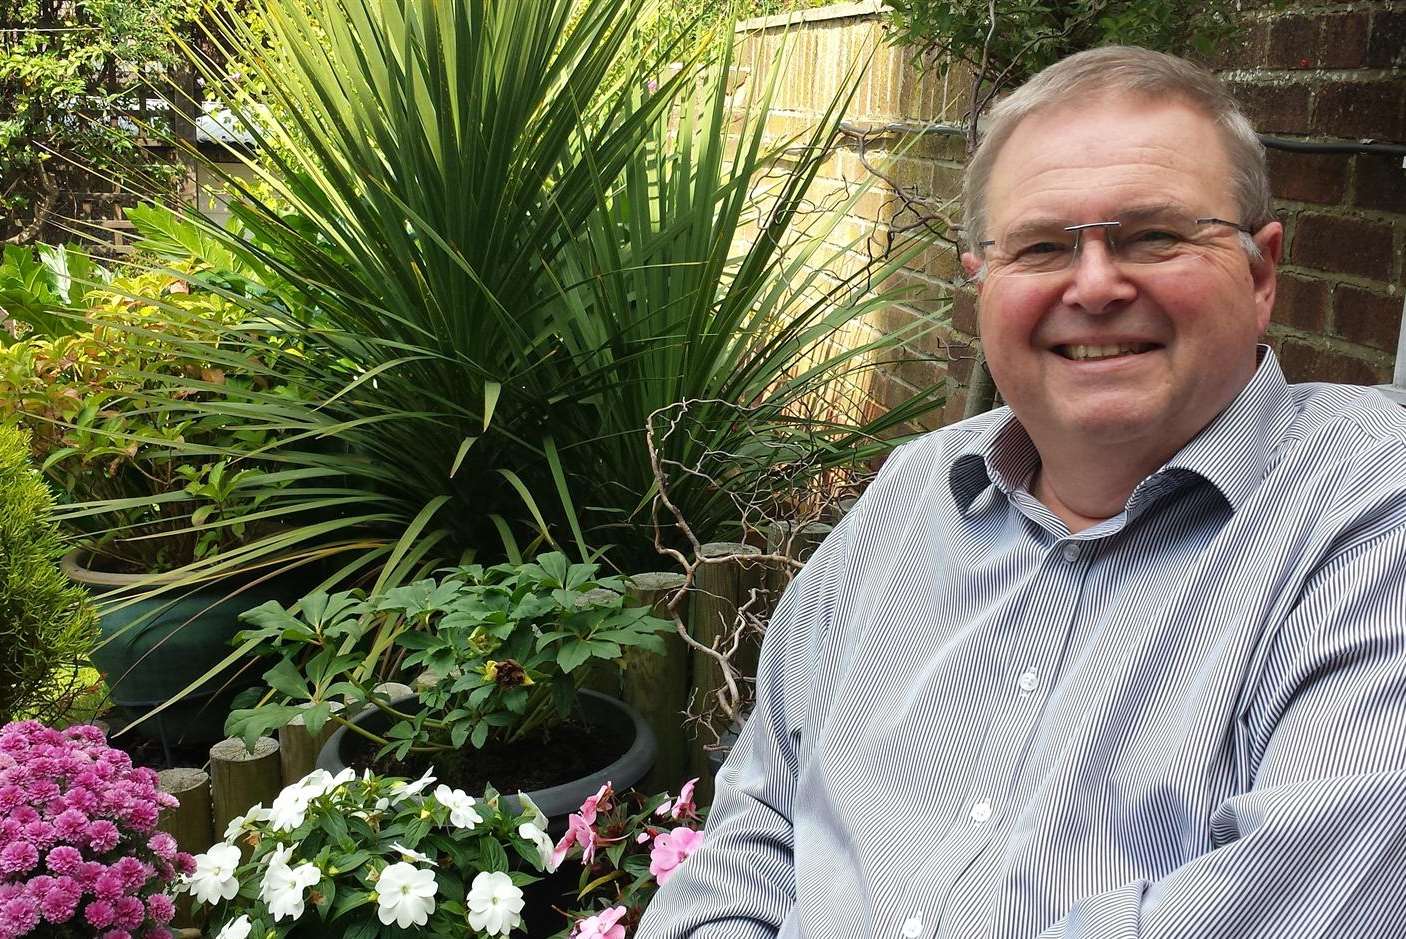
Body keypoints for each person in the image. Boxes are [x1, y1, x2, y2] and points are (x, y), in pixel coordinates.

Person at [637, 45, 1406, 938]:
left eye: (1152, 235)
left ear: (1261, 273)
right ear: (982, 285)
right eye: (1041, 247)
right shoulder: (908, 494)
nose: (1094, 285)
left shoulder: (1368, 515)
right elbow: (759, 827)